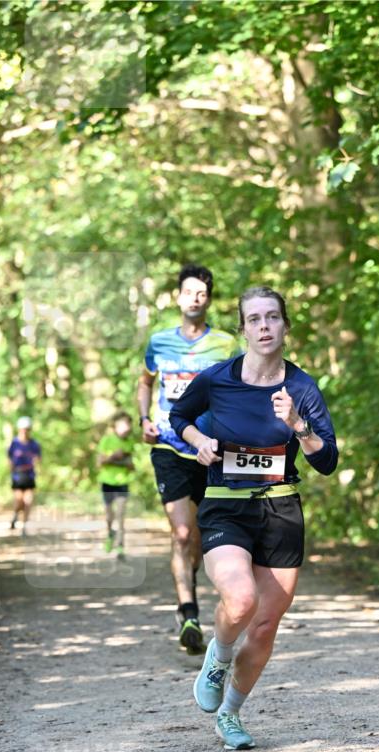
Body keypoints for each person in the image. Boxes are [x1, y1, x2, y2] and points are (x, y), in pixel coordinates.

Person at [169, 285, 338, 750]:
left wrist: (298, 427)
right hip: (226, 504)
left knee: (265, 624)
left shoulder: (301, 388)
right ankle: (218, 657)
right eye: (255, 319)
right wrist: (197, 442)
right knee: (240, 600)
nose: (264, 327)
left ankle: (230, 715)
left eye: (273, 318)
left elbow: (327, 461)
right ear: (242, 328)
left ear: (285, 325)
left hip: (281, 509)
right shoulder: (217, 378)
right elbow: (178, 415)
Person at [137, 263, 238, 654]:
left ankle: (190, 582)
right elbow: (145, 382)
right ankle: (188, 612)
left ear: (208, 299)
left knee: (198, 537)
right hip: (168, 446)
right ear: (177, 297)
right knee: (181, 532)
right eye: (188, 292)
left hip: (210, 450)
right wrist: (144, 418)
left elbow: (241, 387)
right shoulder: (159, 342)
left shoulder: (227, 345)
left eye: (202, 293)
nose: (195, 299)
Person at [97, 411, 135, 559]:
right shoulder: (106, 440)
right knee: (109, 515)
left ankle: (120, 547)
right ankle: (109, 535)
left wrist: (127, 462)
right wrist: (113, 456)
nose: (128, 427)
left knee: (121, 515)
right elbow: (99, 462)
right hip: (107, 482)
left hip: (122, 483)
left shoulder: (129, 442)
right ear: (116, 425)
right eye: (125, 423)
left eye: (129, 424)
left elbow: (131, 465)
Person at [8, 416, 41, 535]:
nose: (25, 431)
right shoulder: (14, 443)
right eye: (23, 429)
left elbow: (38, 458)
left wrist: (36, 462)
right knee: (19, 501)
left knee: (28, 501)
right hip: (17, 475)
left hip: (29, 475)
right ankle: (16, 515)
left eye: (27, 429)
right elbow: (10, 458)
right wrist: (11, 472)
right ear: (19, 429)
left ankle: (24, 527)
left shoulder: (34, 444)